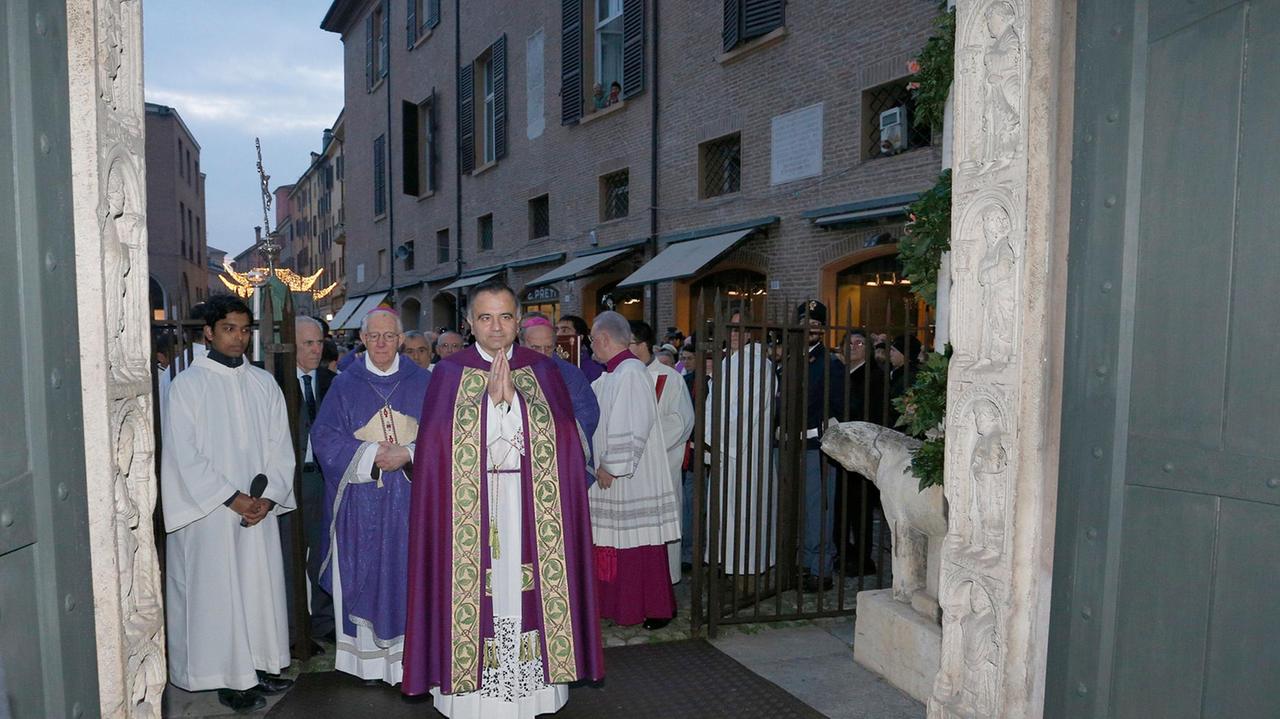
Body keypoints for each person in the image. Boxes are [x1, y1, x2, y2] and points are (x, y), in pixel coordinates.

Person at [402, 280, 604, 716]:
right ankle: (472, 699)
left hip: (529, 506)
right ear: (471, 323)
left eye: (506, 316)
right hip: (470, 513)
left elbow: (568, 443)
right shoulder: (449, 374)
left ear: (518, 320)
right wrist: (483, 409)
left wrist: (517, 405)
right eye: (486, 317)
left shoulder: (543, 371)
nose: (496, 328)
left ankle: (531, 693)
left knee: (524, 590)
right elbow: (435, 449)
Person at [161, 294, 296, 713]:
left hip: (257, 510)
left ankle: (261, 663)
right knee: (217, 594)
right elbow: (183, 454)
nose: (238, 338)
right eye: (228, 329)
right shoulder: (188, 385)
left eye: (243, 330)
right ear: (207, 332)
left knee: (258, 587)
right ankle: (224, 674)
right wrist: (233, 498)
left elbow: (281, 446)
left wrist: (269, 496)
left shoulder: (262, 382)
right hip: (211, 514)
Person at [311, 308, 431, 685]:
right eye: (374, 336)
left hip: (414, 504)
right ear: (362, 339)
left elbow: (446, 436)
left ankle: (414, 659)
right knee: (365, 573)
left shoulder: (424, 382)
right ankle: (368, 664)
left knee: (411, 572)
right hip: (360, 505)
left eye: (389, 336)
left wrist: (409, 453)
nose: (381, 343)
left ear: (401, 340)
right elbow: (324, 438)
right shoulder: (345, 384)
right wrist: (370, 455)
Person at [588, 312, 680, 629]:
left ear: (603, 339)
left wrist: (611, 467)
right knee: (616, 543)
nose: (591, 349)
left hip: (630, 477)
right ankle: (617, 604)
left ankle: (654, 607)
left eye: (591, 342)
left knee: (638, 545)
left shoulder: (631, 372)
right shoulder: (610, 375)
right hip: (614, 473)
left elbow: (633, 424)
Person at [280, 315, 337, 651]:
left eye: (319, 342)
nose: (317, 349)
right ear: (293, 345)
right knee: (290, 557)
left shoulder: (334, 381)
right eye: (308, 343)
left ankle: (324, 622)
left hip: (324, 481)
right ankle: (293, 628)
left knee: (324, 554)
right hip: (290, 481)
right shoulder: (275, 381)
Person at [707, 310, 778, 580]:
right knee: (724, 512)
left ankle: (747, 572)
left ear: (750, 333)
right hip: (722, 450)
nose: (735, 334)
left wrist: (718, 440)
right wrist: (708, 439)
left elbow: (746, 412)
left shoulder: (758, 365)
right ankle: (727, 565)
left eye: (741, 329)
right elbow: (711, 403)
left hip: (745, 452)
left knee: (746, 511)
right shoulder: (728, 362)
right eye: (731, 329)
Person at [629, 321, 695, 584]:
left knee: (661, 531)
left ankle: (663, 587)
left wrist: (641, 447)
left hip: (660, 469)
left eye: (627, 343)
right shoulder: (620, 376)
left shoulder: (670, 378)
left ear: (642, 345)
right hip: (630, 473)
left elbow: (681, 421)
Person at [796, 300, 845, 591]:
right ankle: (803, 562)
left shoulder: (831, 364)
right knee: (799, 508)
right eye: (805, 323)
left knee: (819, 509)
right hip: (789, 443)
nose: (810, 329)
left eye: (815, 324)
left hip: (817, 445)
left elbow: (839, 407)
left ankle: (821, 568)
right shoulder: (790, 358)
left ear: (824, 329)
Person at [521, 313, 600, 476]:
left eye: (548, 347)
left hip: (560, 461)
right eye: (535, 347)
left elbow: (587, 416)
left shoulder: (570, 375)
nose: (542, 353)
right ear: (521, 344)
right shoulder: (507, 371)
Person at [836, 328, 887, 575]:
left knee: (861, 509)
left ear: (868, 348)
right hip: (842, 451)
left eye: (859, 343)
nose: (854, 346)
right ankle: (846, 552)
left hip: (863, 451)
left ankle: (864, 559)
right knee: (843, 506)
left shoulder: (875, 377)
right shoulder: (843, 374)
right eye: (849, 343)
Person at [556, 315, 604, 381]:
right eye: (556, 330)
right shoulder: (551, 363)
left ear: (580, 337)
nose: (558, 334)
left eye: (564, 330)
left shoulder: (593, 370)